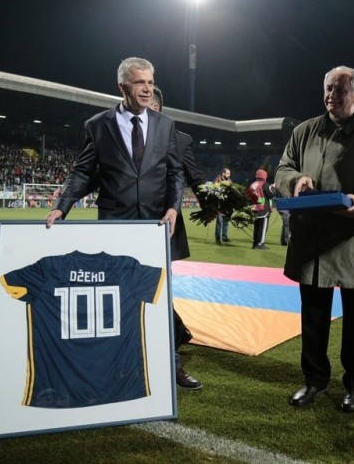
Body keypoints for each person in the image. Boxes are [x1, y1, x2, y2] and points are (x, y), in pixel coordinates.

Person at [45, 58, 200, 390]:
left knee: (159, 296)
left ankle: (171, 364)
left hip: (156, 228)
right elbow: (83, 171)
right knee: (118, 297)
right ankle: (118, 364)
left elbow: (175, 173)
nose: (147, 89)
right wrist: (62, 206)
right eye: (140, 82)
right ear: (122, 87)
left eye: (150, 82)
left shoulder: (165, 124)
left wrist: (173, 208)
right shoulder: (98, 125)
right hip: (115, 226)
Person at [274, 66, 354, 413]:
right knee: (313, 315)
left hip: (352, 238)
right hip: (311, 237)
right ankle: (314, 380)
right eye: (328, 88)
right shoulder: (304, 130)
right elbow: (282, 168)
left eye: (340, 89)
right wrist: (295, 180)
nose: (331, 95)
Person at [152, 86, 204, 390]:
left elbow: (194, 177)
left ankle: (172, 364)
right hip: (127, 224)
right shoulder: (122, 133)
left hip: (164, 225)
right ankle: (178, 330)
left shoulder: (180, 140)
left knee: (160, 290)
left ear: (158, 108)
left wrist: (217, 201)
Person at [248, 169, 276, 249]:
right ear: (264, 176)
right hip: (263, 209)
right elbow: (271, 194)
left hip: (254, 209)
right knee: (262, 228)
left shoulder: (252, 184)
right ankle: (260, 244)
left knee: (256, 228)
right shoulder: (264, 184)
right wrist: (273, 188)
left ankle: (255, 243)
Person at [213, 168, 232, 243]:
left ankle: (224, 237)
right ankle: (218, 239)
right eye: (227, 173)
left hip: (227, 205)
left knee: (226, 222)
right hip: (219, 205)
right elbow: (213, 190)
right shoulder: (217, 180)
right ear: (223, 173)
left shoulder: (230, 181)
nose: (229, 175)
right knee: (219, 222)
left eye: (229, 173)